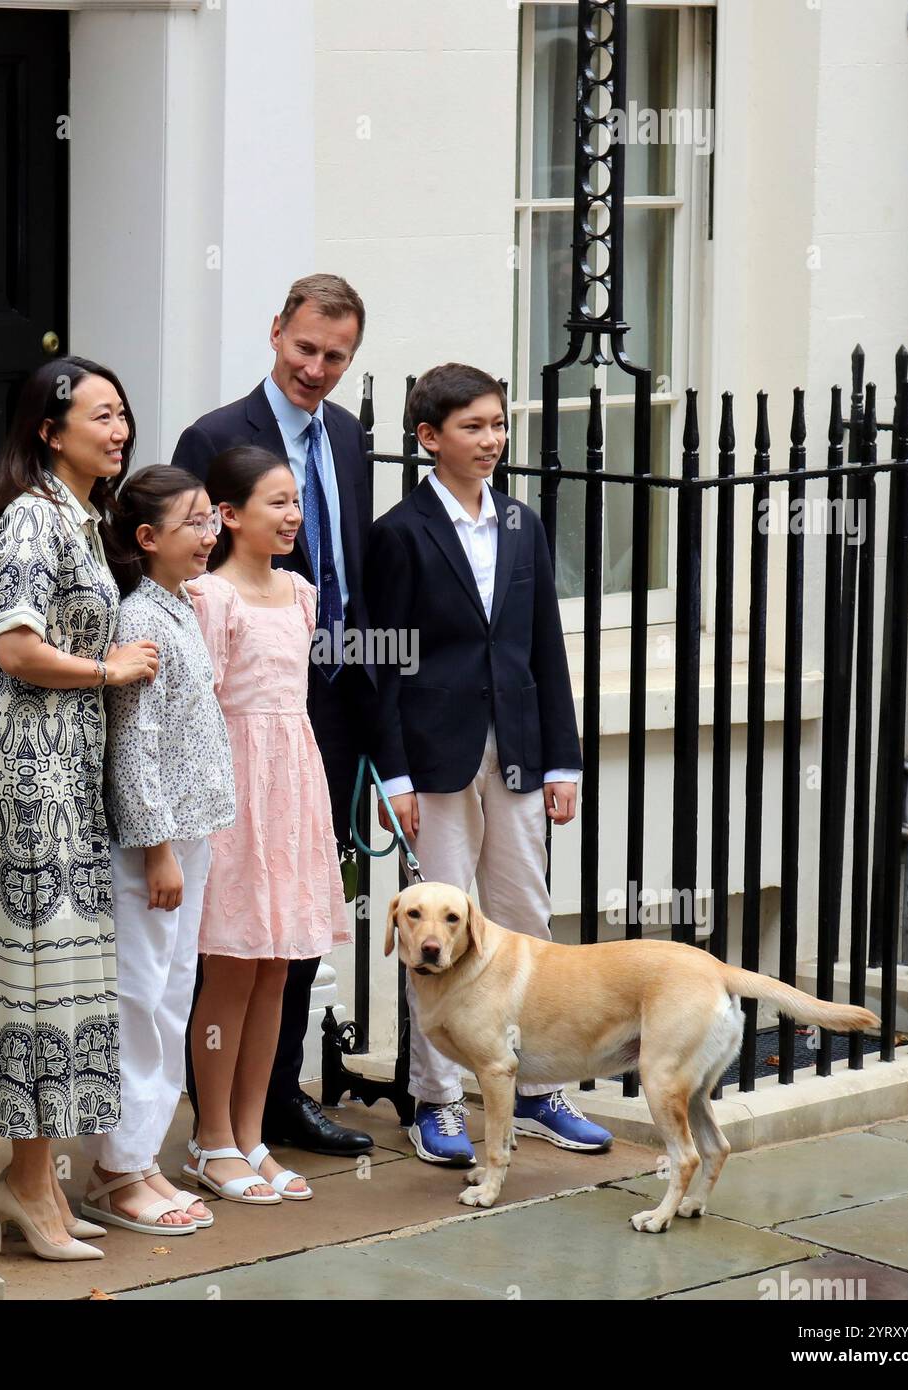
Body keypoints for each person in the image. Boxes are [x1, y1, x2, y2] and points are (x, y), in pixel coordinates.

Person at [364, 363, 614, 1165]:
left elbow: (543, 642)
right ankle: (435, 1102)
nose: (491, 440)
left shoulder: (520, 525)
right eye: (472, 427)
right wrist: (392, 776)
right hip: (433, 762)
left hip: (517, 751)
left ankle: (537, 1089)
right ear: (428, 437)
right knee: (433, 935)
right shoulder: (399, 532)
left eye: (498, 424)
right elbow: (380, 661)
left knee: (523, 919)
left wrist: (562, 761)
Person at [0, 356, 160, 1260]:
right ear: (49, 429)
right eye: (100, 416)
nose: (118, 430)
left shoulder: (83, 516)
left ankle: (36, 1180)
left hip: (66, 776)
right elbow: (16, 650)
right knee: (36, 983)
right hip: (26, 783)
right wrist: (113, 668)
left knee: (63, 984)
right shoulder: (35, 517)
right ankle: (28, 1185)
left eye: (122, 414)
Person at [171, 273, 374, 1157]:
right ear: (274, 334)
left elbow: (352, 573)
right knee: (230, 929)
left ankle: (277, 1099)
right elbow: (186, 582)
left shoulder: (351, 436)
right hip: (235, 716)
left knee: (292, 921)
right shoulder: (215, 437)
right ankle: (214, 1117)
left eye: (335, 356)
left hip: (321, 707)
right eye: (304, 349)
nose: (317, 369)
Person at [182, 446, 352, 1204]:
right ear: (229, 514)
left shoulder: (302, 593)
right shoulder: (207, 598)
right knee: (230, 966)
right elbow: (199, 712)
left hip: (293, 786)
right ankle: (209, 1138)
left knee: (278, 967)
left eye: (295, 502)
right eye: (275, 502)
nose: (291, 516)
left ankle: (250, 1135)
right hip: (234, 793)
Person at [80, 466, 233, 1235]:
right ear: (147, 540)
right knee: (141, 999)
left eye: (212, 520)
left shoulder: (182, 609)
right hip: (154, 846)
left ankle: (138, 1156)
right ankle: (115, 1170)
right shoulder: (137, 619)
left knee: (171, 996)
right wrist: (158, 850)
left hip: (190, 835)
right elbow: (132, 750)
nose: (210, 535)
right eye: (193, 523)